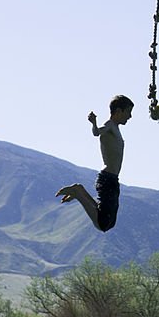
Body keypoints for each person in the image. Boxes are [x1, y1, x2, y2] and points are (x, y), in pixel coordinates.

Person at [55, 95, 134, 232]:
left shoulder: (116, 128)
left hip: (113, 179)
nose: (130, 116)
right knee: (103, 224)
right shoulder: (110, 125)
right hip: (107, 178)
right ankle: (78, 193)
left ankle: (79, 191)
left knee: (108, 222)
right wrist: (94, 123)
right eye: (128, 112)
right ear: (119, 111)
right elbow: (97, 132)